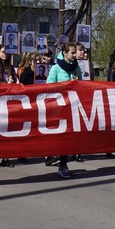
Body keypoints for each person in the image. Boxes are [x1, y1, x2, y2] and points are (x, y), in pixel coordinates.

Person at [46, 42, 82, 180]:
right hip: (58, 107)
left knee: (67, 137)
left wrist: (77, 83)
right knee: (59, 136)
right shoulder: (56, 68)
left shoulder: (76, 69)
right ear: (65, 53)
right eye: (72, 53)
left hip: (71, 107)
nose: (74, 55)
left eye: (75, 53)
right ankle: (51, 155)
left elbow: (82, 86)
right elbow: (49, 87)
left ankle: (63, 165)